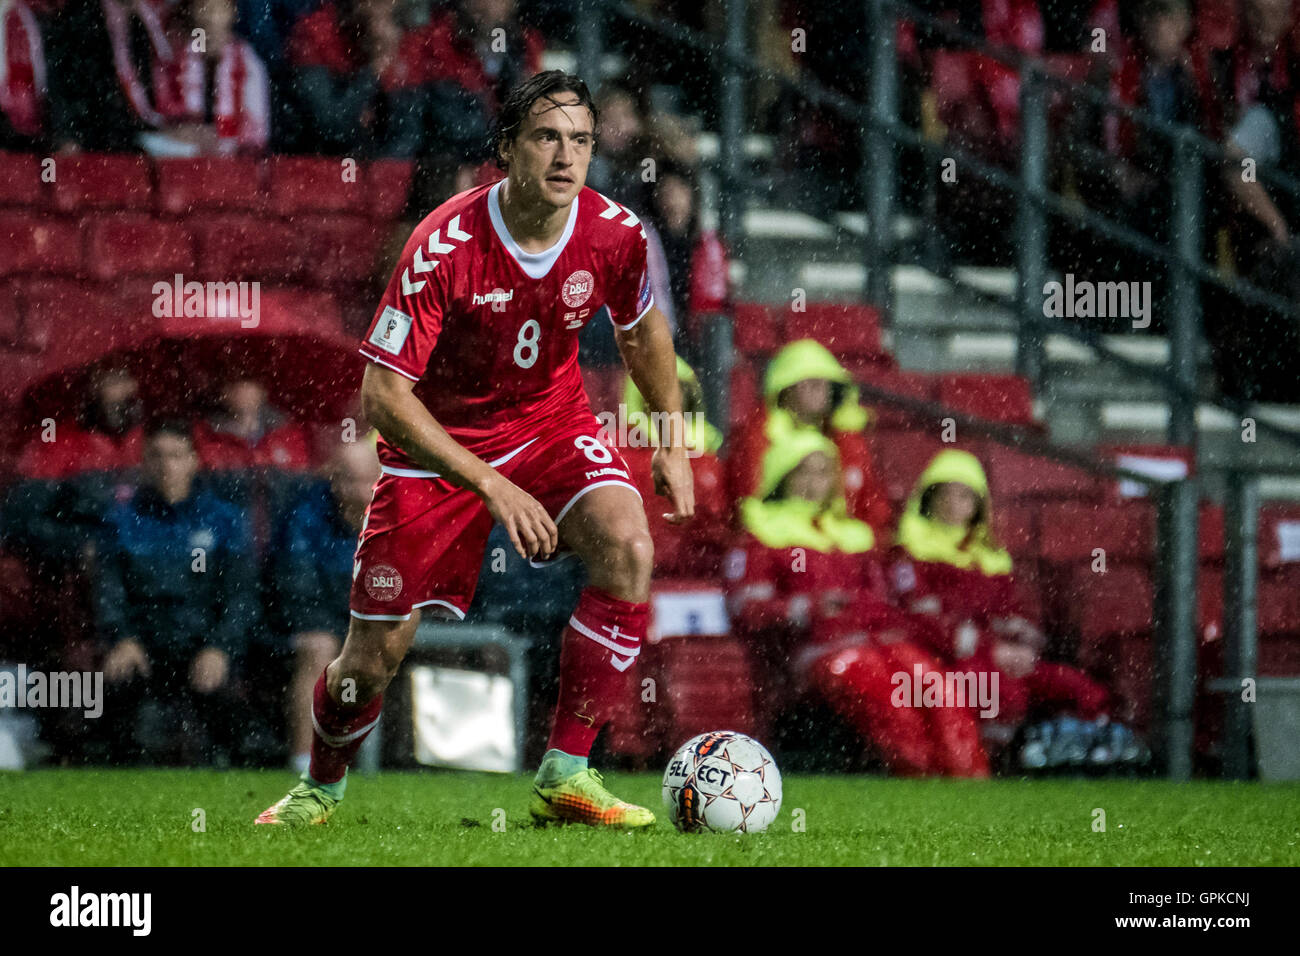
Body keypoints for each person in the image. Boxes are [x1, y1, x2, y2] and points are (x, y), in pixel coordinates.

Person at [256, 70, 694, 827]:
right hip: (439, 451)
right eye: (547, 138)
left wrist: (672, 438)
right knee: (372, 661)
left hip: (553, 426)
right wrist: (491, 484)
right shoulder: (444, 244)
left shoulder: (615, 233)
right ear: (507, 148)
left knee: (629, 546)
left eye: (581, 141)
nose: (566, 157)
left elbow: (642, 331)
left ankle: (567, 773)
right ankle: (320, 786)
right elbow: (383, 398)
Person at [725, 429, 987, 777]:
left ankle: (969, 780)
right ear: (783, 474)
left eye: (824, 471)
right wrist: (808, 607)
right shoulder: (761, 533)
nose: (816, 481)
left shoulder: (854, 535)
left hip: (880, 642)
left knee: (936, 687)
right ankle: (922, 778)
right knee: (890, 698)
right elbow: (747, 610)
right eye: (805, 470)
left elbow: (884, 601)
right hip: (817, 649)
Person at [888, 450, 1142, 770]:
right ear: (929, 498)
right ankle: (999, 761)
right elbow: (923, 622)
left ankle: (1085, 747)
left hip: (998, 657)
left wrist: (1020, 640)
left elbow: (1011, 613)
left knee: (1073, 685)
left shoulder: (990, 558)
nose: (955, 505)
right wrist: (990, 648)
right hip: (948, 660)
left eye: (965, 496)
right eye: (947, 494)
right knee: (993, 687)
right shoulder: (908, 553)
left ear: (978, 506)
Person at [92, 419, 261, 764]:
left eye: (176, 455)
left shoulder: (225, 519)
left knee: (241, 739)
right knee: (110, 721)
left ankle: (234, 766)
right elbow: (108, 591)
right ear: (144, 462)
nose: (167, 465)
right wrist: (122, 638)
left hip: (202, 642)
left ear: (194, 460)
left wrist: (220, 647)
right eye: (156, 455)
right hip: (142, 644)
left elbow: (241, 596)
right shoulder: (121, 520)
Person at [268, 439, 380, 775]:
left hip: (377, 620)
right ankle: (306, 761)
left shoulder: (396, 512)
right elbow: (296, 589)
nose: (359, 490)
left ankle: (414, 758)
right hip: (319, 619)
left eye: (367, 480)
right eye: (350, 480)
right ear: (334, 479)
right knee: (318, 647)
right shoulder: (303, 514)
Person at [726, 338, 891, 531]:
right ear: (784, 387)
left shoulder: (847, 439)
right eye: (810, 382)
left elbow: (869, 507)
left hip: (833, 545)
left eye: (826, 383)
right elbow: (746, 499)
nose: (820, 390)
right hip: (774, 539)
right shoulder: (757, 436)